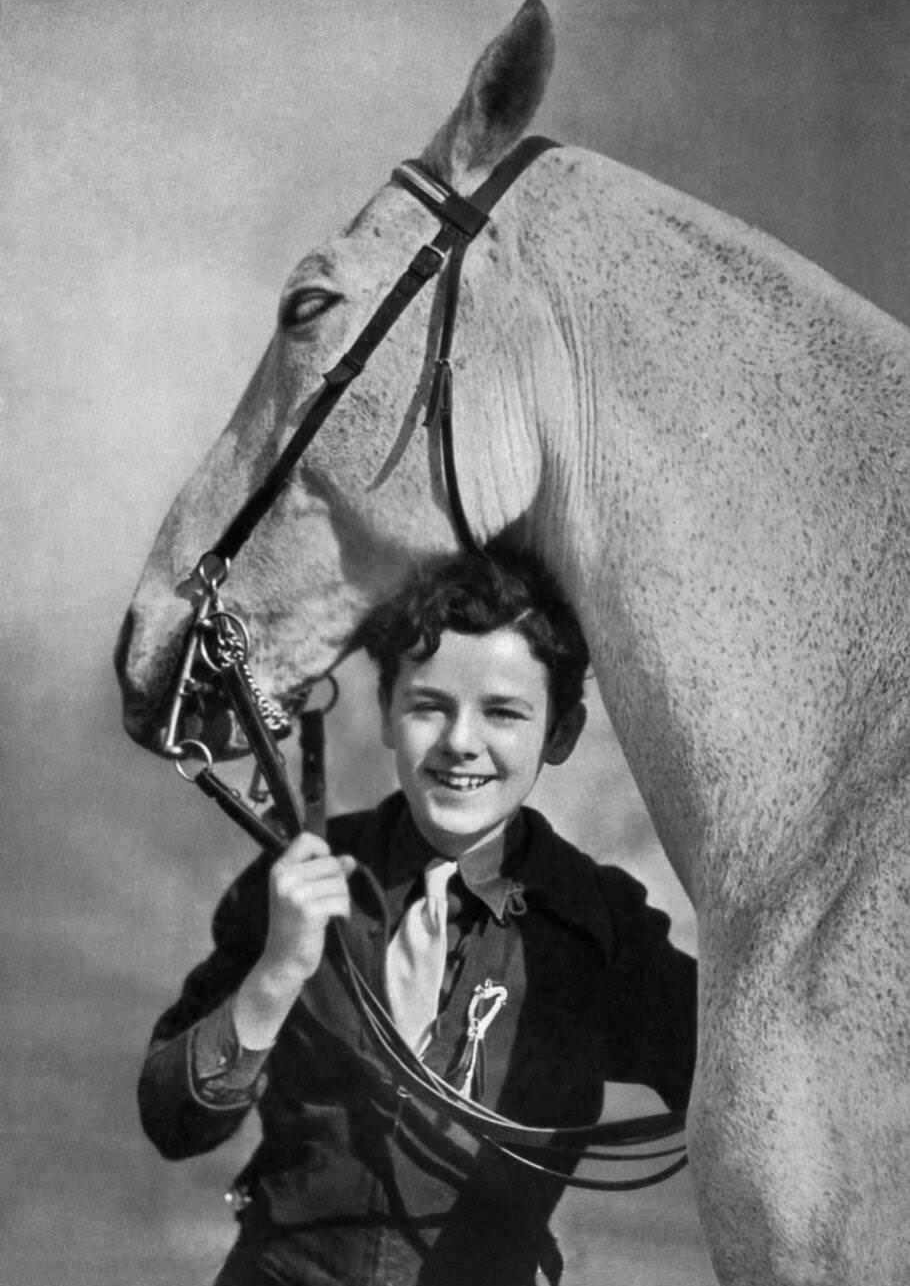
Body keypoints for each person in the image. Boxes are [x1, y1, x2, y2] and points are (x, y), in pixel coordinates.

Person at [138, 550, 697, 1286]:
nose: (461, 740)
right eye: (430, 704)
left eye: (503, 711)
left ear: (560, 732)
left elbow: (753, 1077)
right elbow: (172, 1120)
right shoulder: (295, 878)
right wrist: (277, 973)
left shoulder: (602, 933)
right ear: (387, 713)